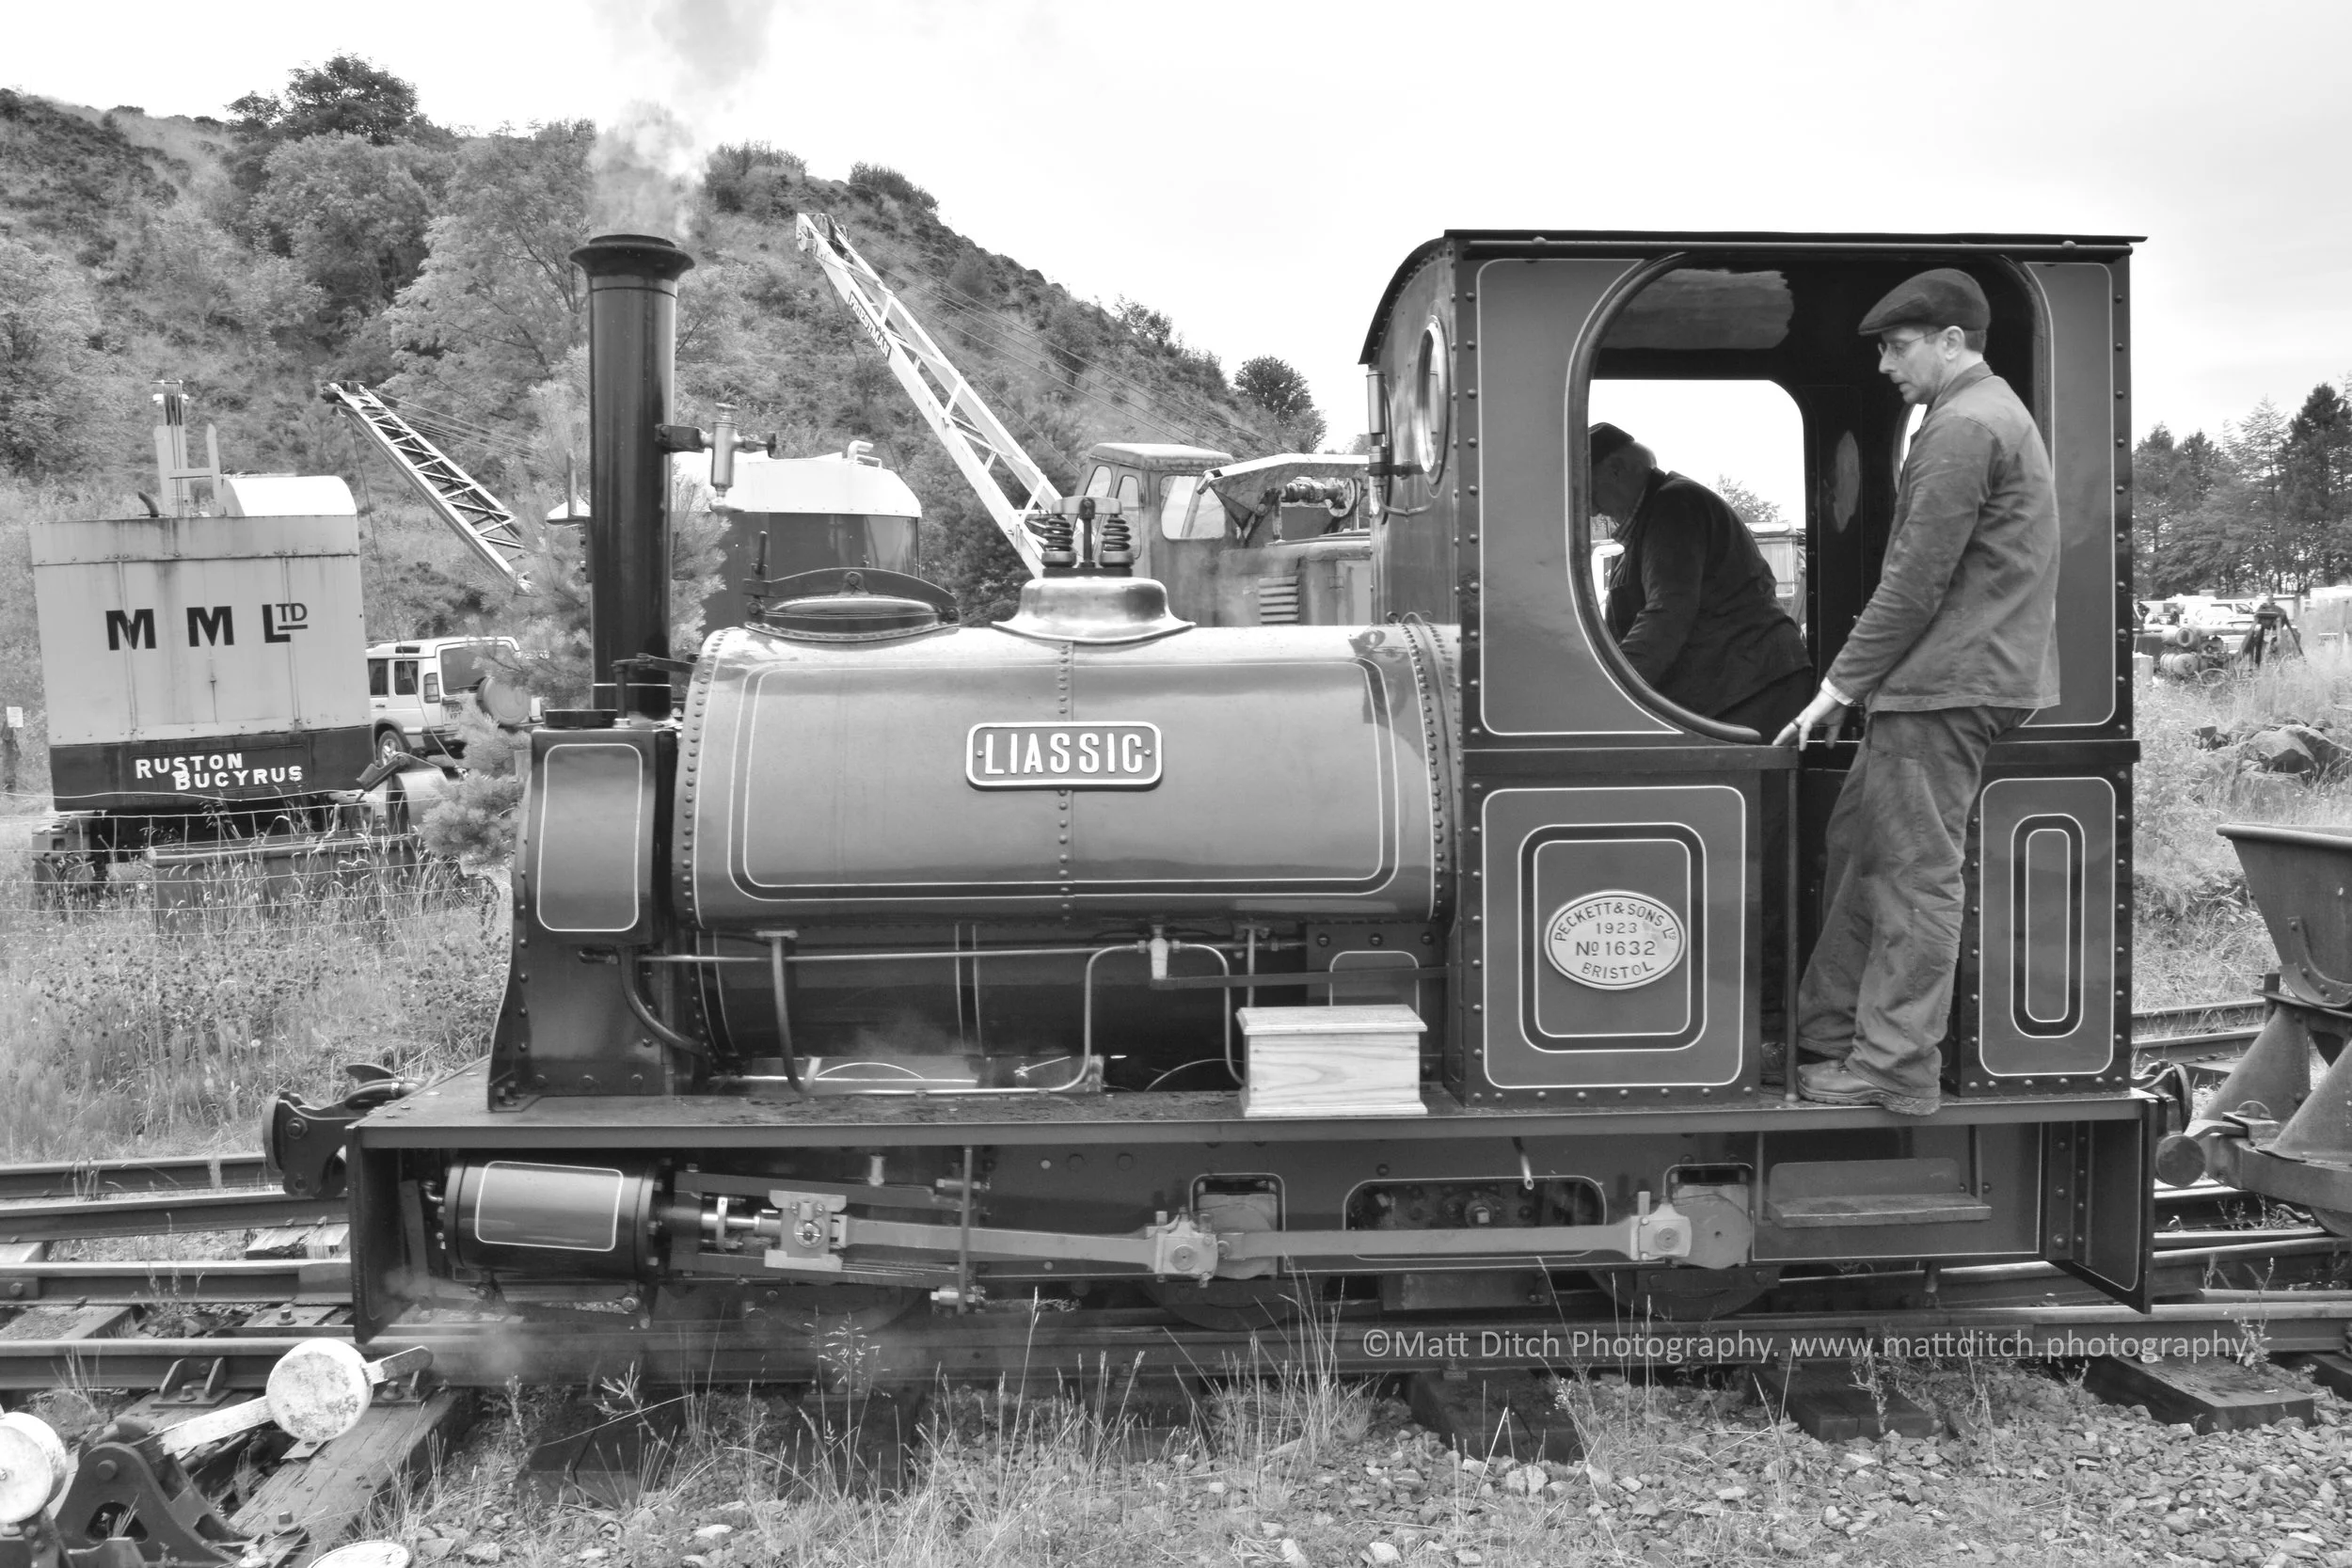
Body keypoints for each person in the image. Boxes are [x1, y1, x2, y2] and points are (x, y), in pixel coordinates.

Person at [1774, 269, 2061, 1117]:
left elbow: (1913, 582)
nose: (1886, 367)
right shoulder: (1982, 414)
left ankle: (1893, 1065)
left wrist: (1837, 686)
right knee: (1863, 846)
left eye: (1898, 348)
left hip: (1945, 685)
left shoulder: (1963, 425)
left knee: (1911, 874)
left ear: (1951, 342)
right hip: (1943, 680)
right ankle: (1830, 1031)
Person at [1588, 425, 1813, 736]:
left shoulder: (1672, 506)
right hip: (1739, 684)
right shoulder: (1658, 511)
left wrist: (1610, 689)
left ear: (1616, 470)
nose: (1591, 509)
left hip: (1749, 688)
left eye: (1591, 492)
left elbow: (1667, 614)